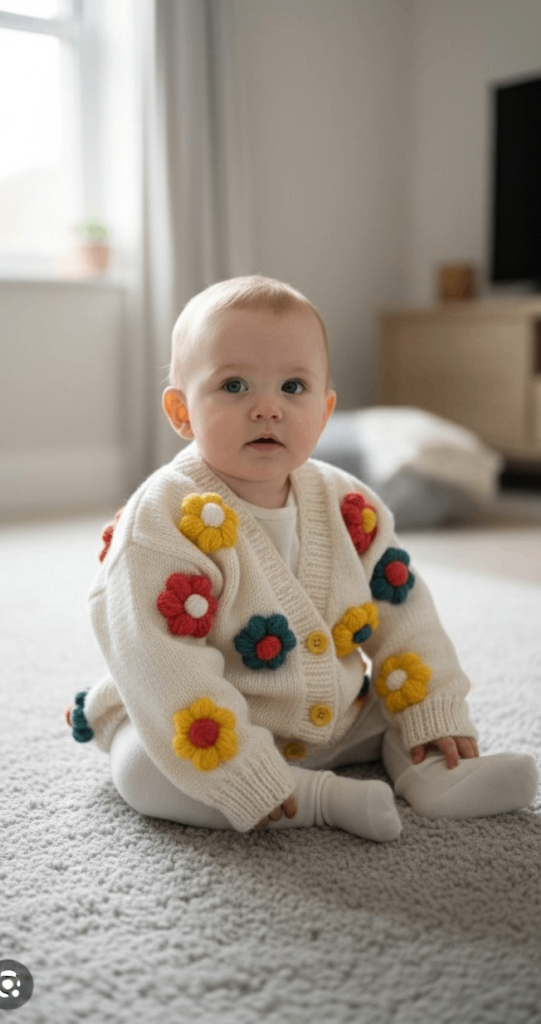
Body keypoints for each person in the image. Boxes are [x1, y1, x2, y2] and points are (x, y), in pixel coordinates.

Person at [67, 275, 538, 840]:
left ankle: (432, 768)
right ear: (181, 411)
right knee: (142, 766)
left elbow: (404, 612)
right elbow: (160, 660)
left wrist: (432, 713)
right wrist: (244, 769)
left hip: (334, 710)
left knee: (395, 703)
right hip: (205, 714)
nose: (268, 408)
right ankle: (314, 798)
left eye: (293, 387)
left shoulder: (348, 504)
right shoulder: (163, 520)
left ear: (324, 409)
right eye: (235, 385)